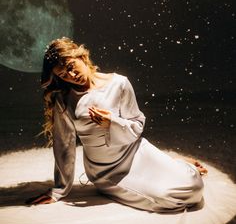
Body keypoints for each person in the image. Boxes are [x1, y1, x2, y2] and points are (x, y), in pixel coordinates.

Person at [28, 37, 207, 211]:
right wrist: (59, 189)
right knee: (168, 199)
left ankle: (180, 165)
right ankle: (170, 166)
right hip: (105, 171)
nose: (72, 76)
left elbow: (137, 125)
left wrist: (112, 122)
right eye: (63, 75)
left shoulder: (119, 83)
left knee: (194, 186)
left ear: (81, 57)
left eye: (71, 67)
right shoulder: (64, 99)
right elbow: (64, 145)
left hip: (136, 152)